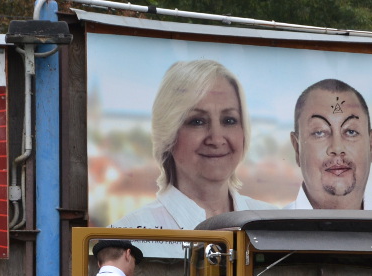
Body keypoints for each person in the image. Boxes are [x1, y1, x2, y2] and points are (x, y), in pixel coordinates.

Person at [114, 59, 274, 234]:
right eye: (197, 121)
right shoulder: (126, 235)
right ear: (168, 133)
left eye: (229, 120)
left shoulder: (274, 224)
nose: (216, 139)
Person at [286, 79, 372, 210]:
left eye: (351, 132)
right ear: (297, 148)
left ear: (370, 145)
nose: (337, 148)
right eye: (319, 132)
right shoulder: (271, 223)